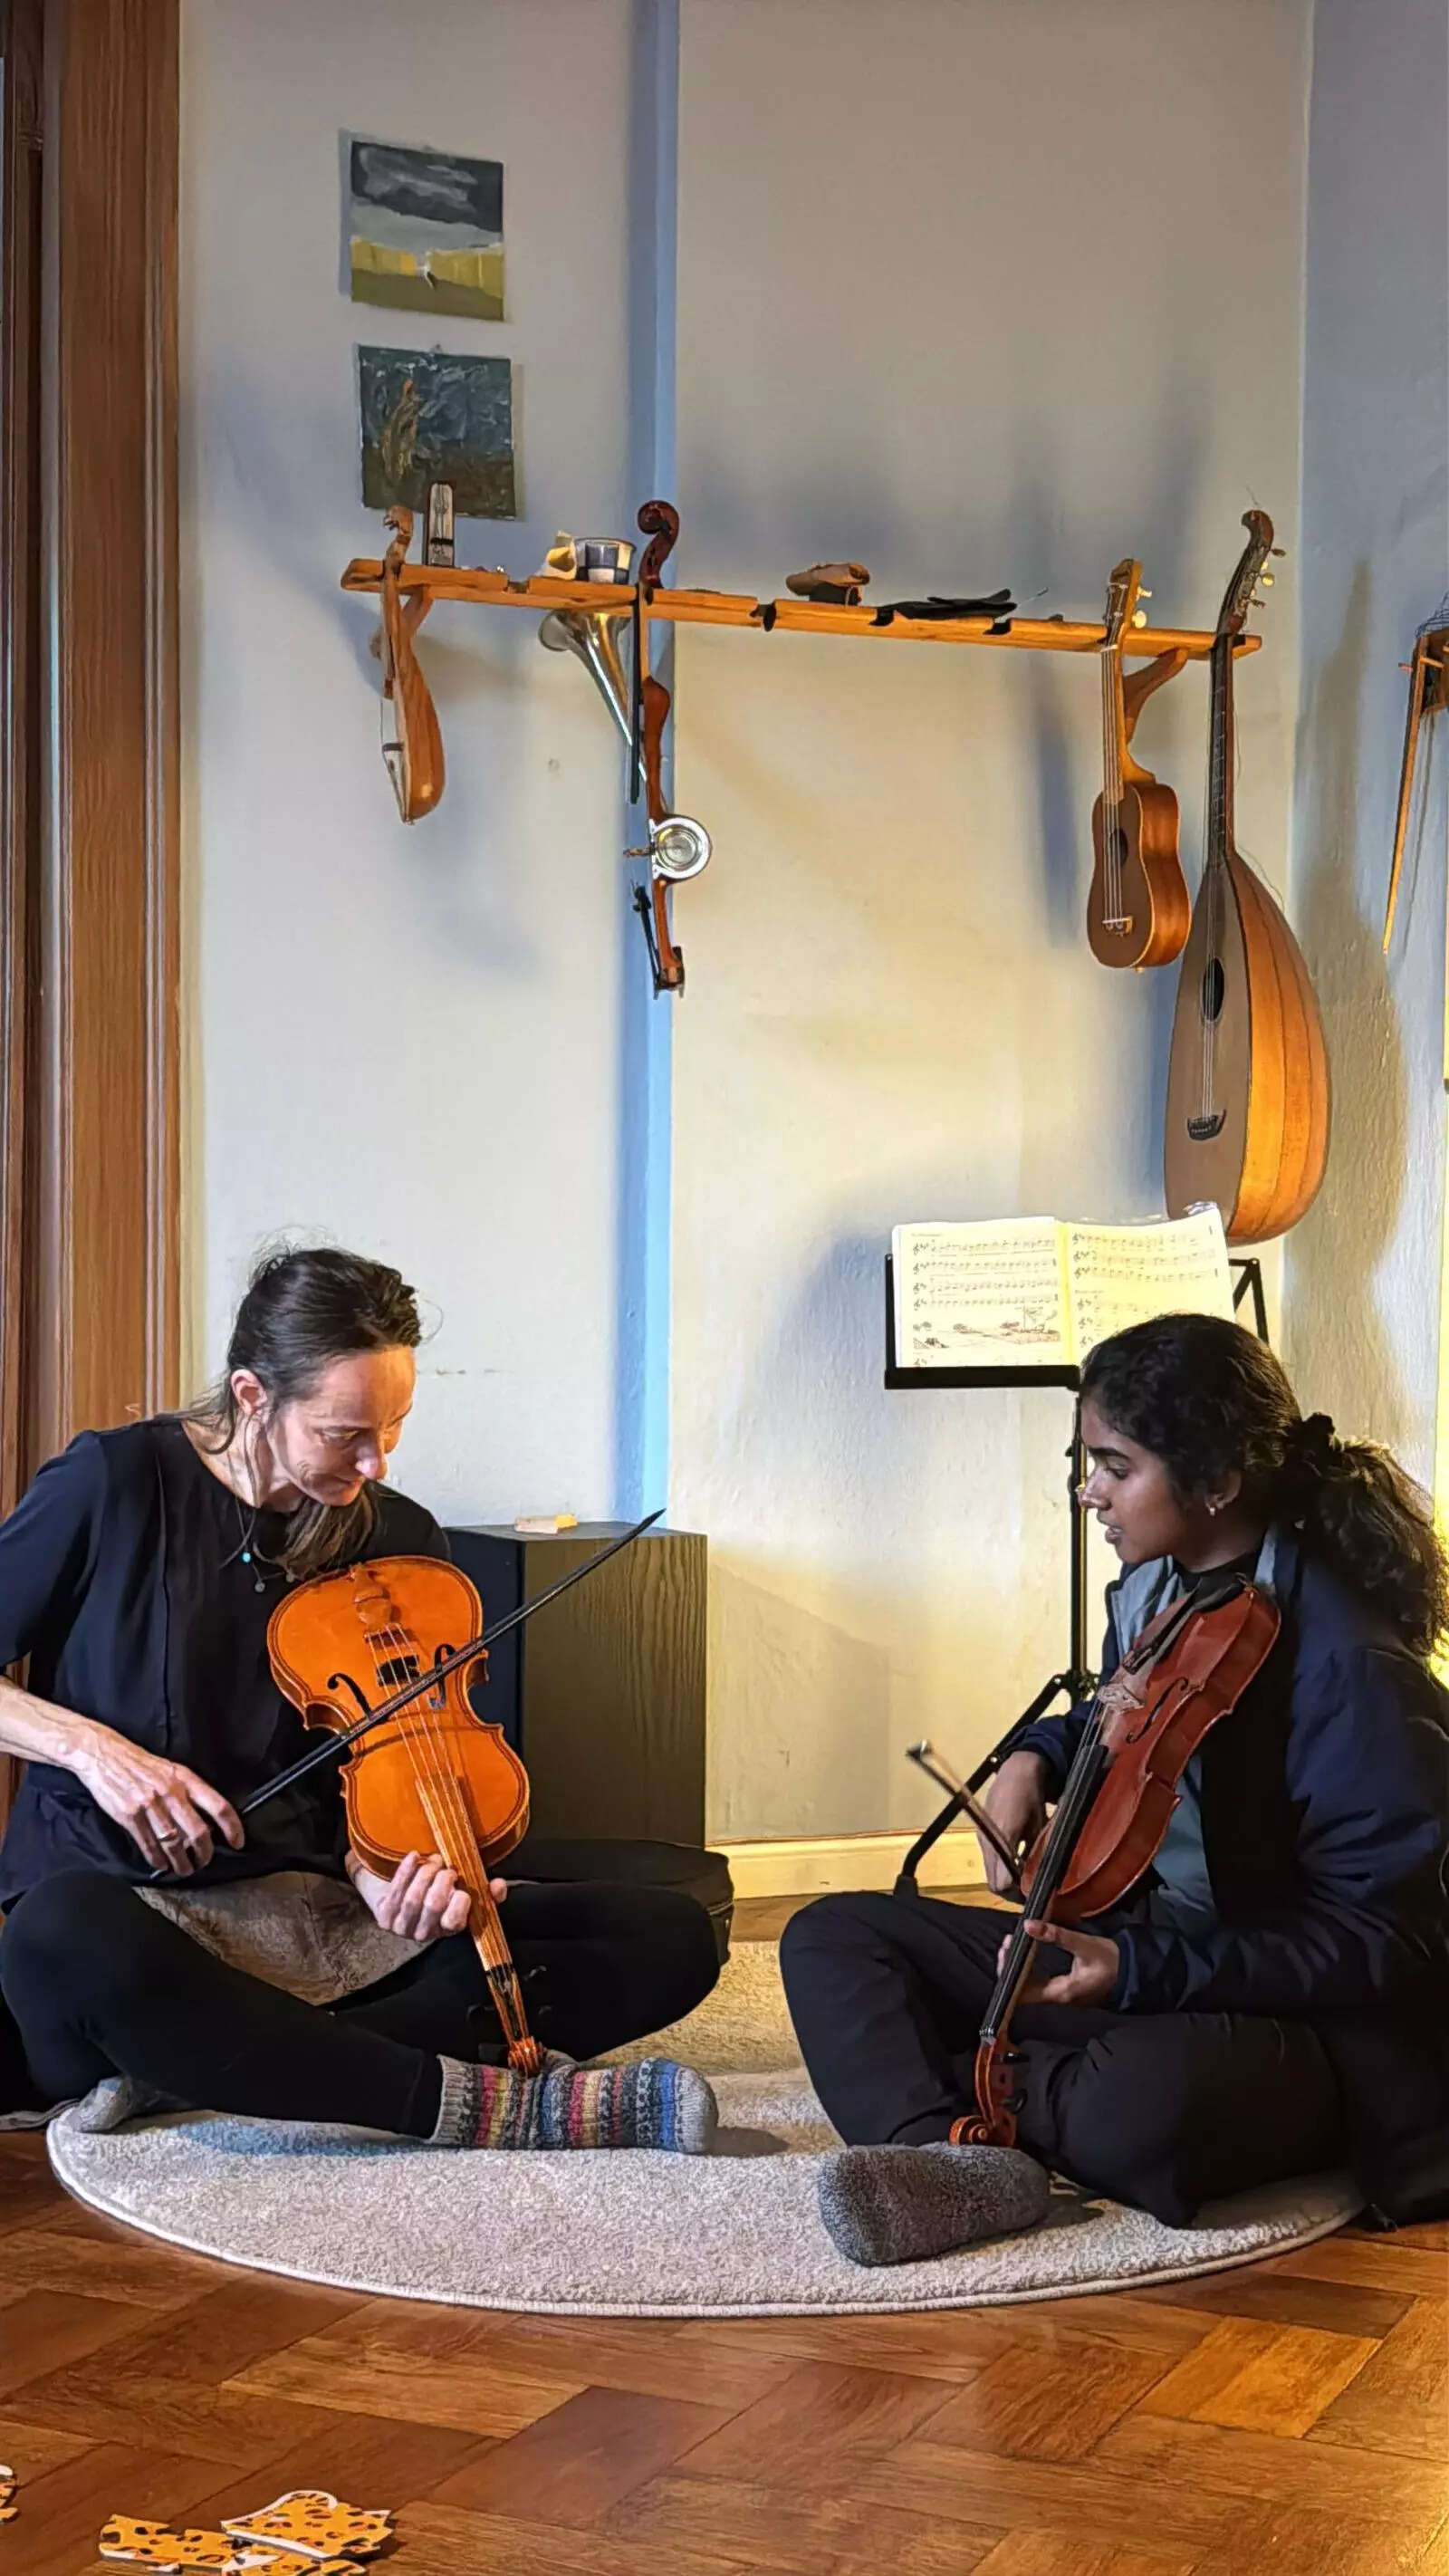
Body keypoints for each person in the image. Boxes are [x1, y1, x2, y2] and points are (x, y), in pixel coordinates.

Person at [0, 1246, 719, 2153]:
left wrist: (391, 1874)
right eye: (346, 1433)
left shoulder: (400, 1543)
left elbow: (384, 1787)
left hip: (320, 1926)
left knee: (669, 1936)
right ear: (254, 1396)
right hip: (136, 1915)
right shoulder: (112, 1485)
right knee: (60, 1938)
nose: (377, 1463)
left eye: (396, 1425)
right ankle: (480, 2104)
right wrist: (92, 1751)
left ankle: (204, 2067)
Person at [782, 1313, 1449, 2265]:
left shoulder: (1349, 1667)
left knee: (1139, 2107)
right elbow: (1124, 1720)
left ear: (1216, 1481)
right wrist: (1033, 1757)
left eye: (1114, 1466)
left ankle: (971, 2079)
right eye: (1084, 1461)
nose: (1087, 1494)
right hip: (1148, 1951)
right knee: (831, 1938)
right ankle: (955, 2161)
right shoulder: (1162, 1585)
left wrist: (1135, 1975)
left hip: (1289, 2009)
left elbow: (1383, 1943)